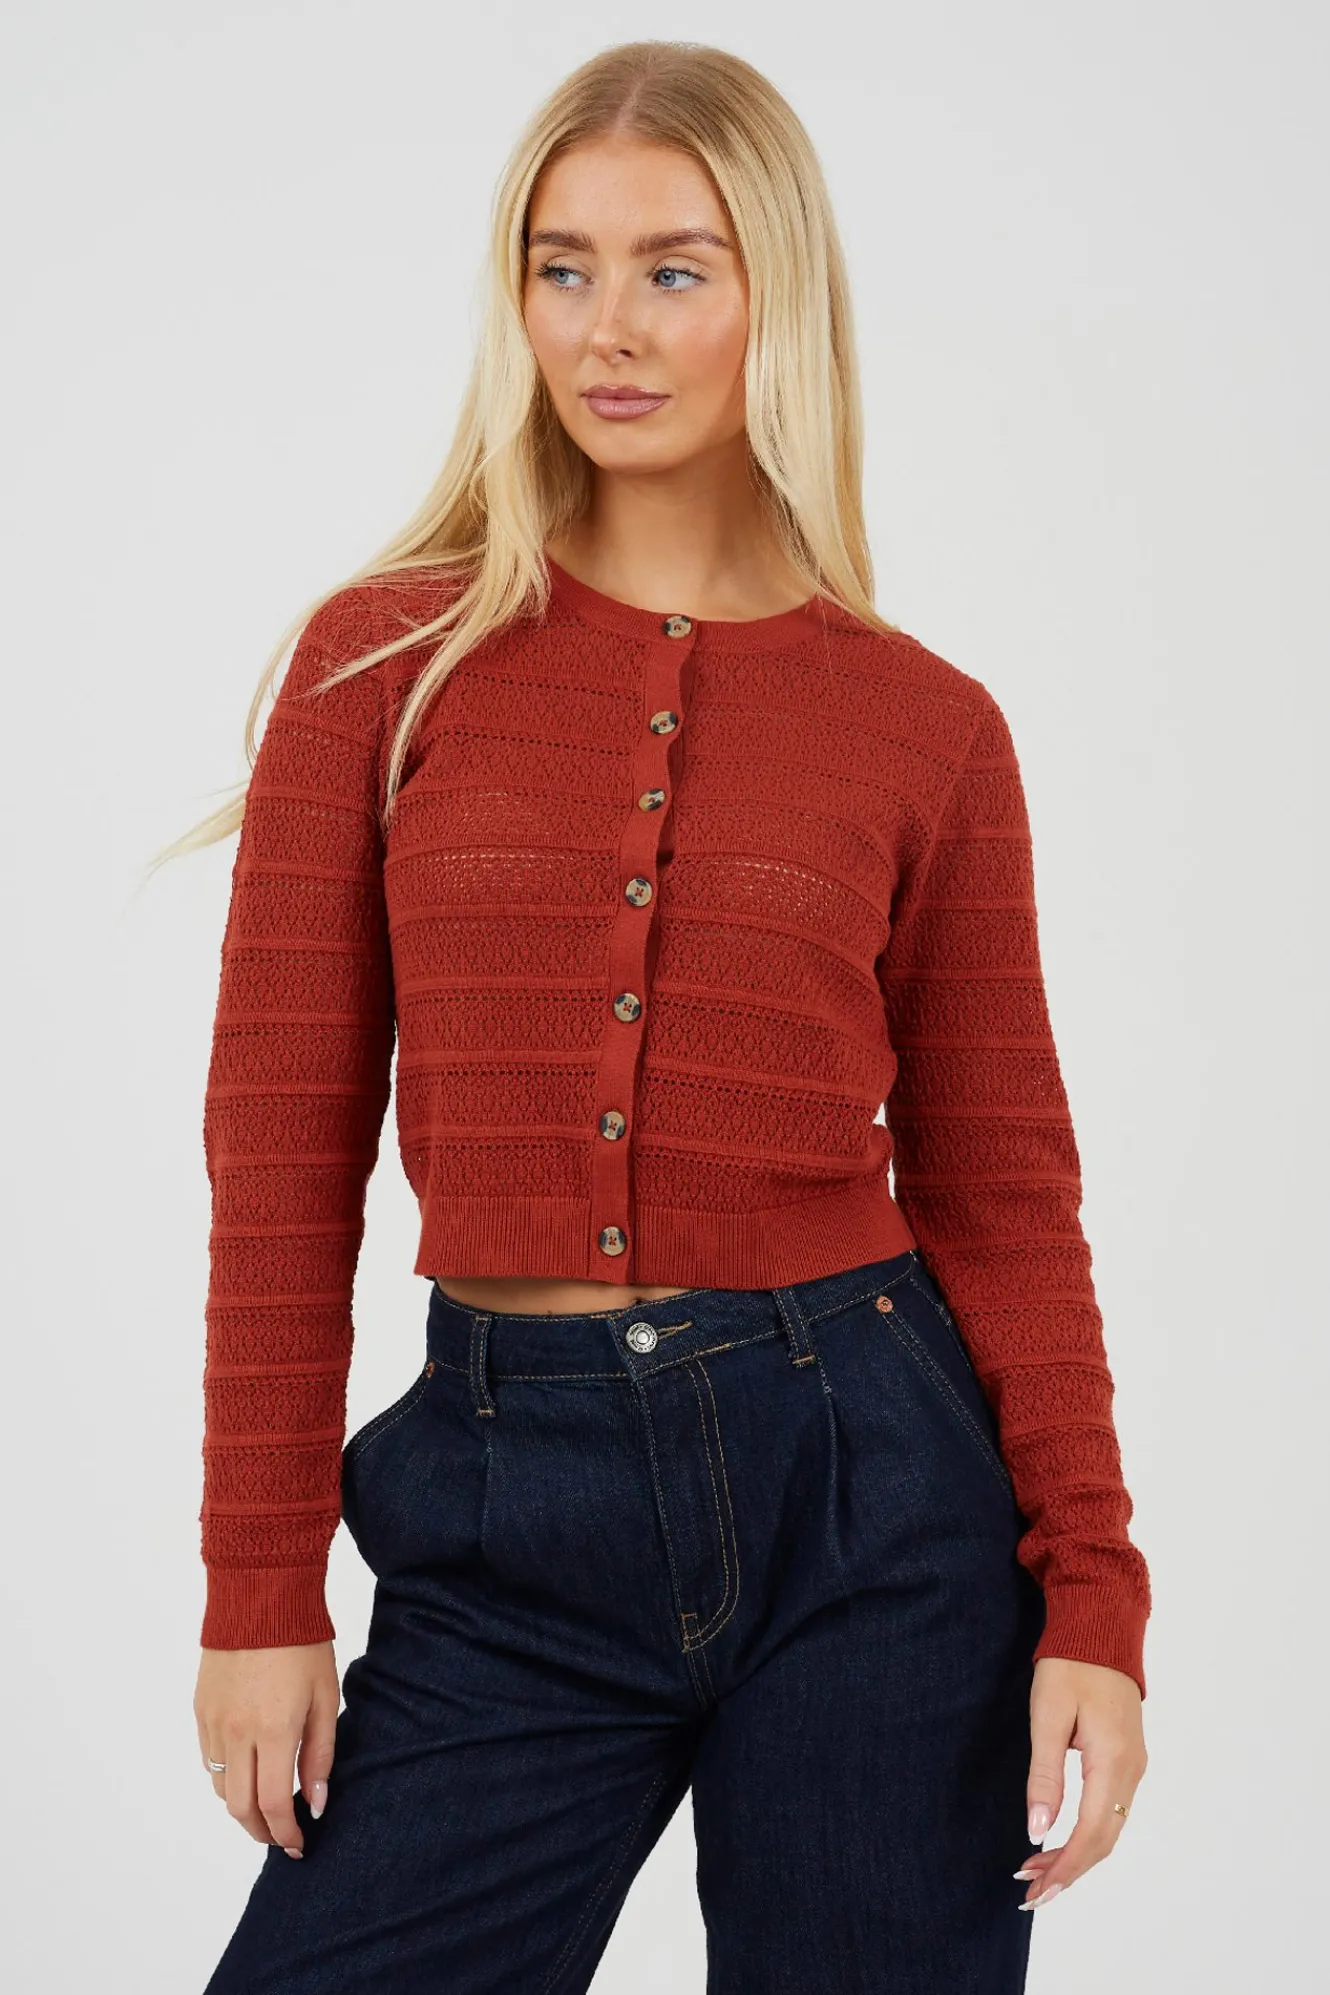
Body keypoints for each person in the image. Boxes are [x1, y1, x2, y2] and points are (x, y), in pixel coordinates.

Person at [167, 38, 1151, 1994]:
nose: (605, 326)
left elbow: (1002, 1195)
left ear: (775, 299)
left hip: (872, 1500)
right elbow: (276, 1152)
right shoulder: (380, 666)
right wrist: (254, 1582)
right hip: (500, 1510)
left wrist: (1093, 1596)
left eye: (672, 269)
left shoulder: (925, 727)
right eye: (563, 267)